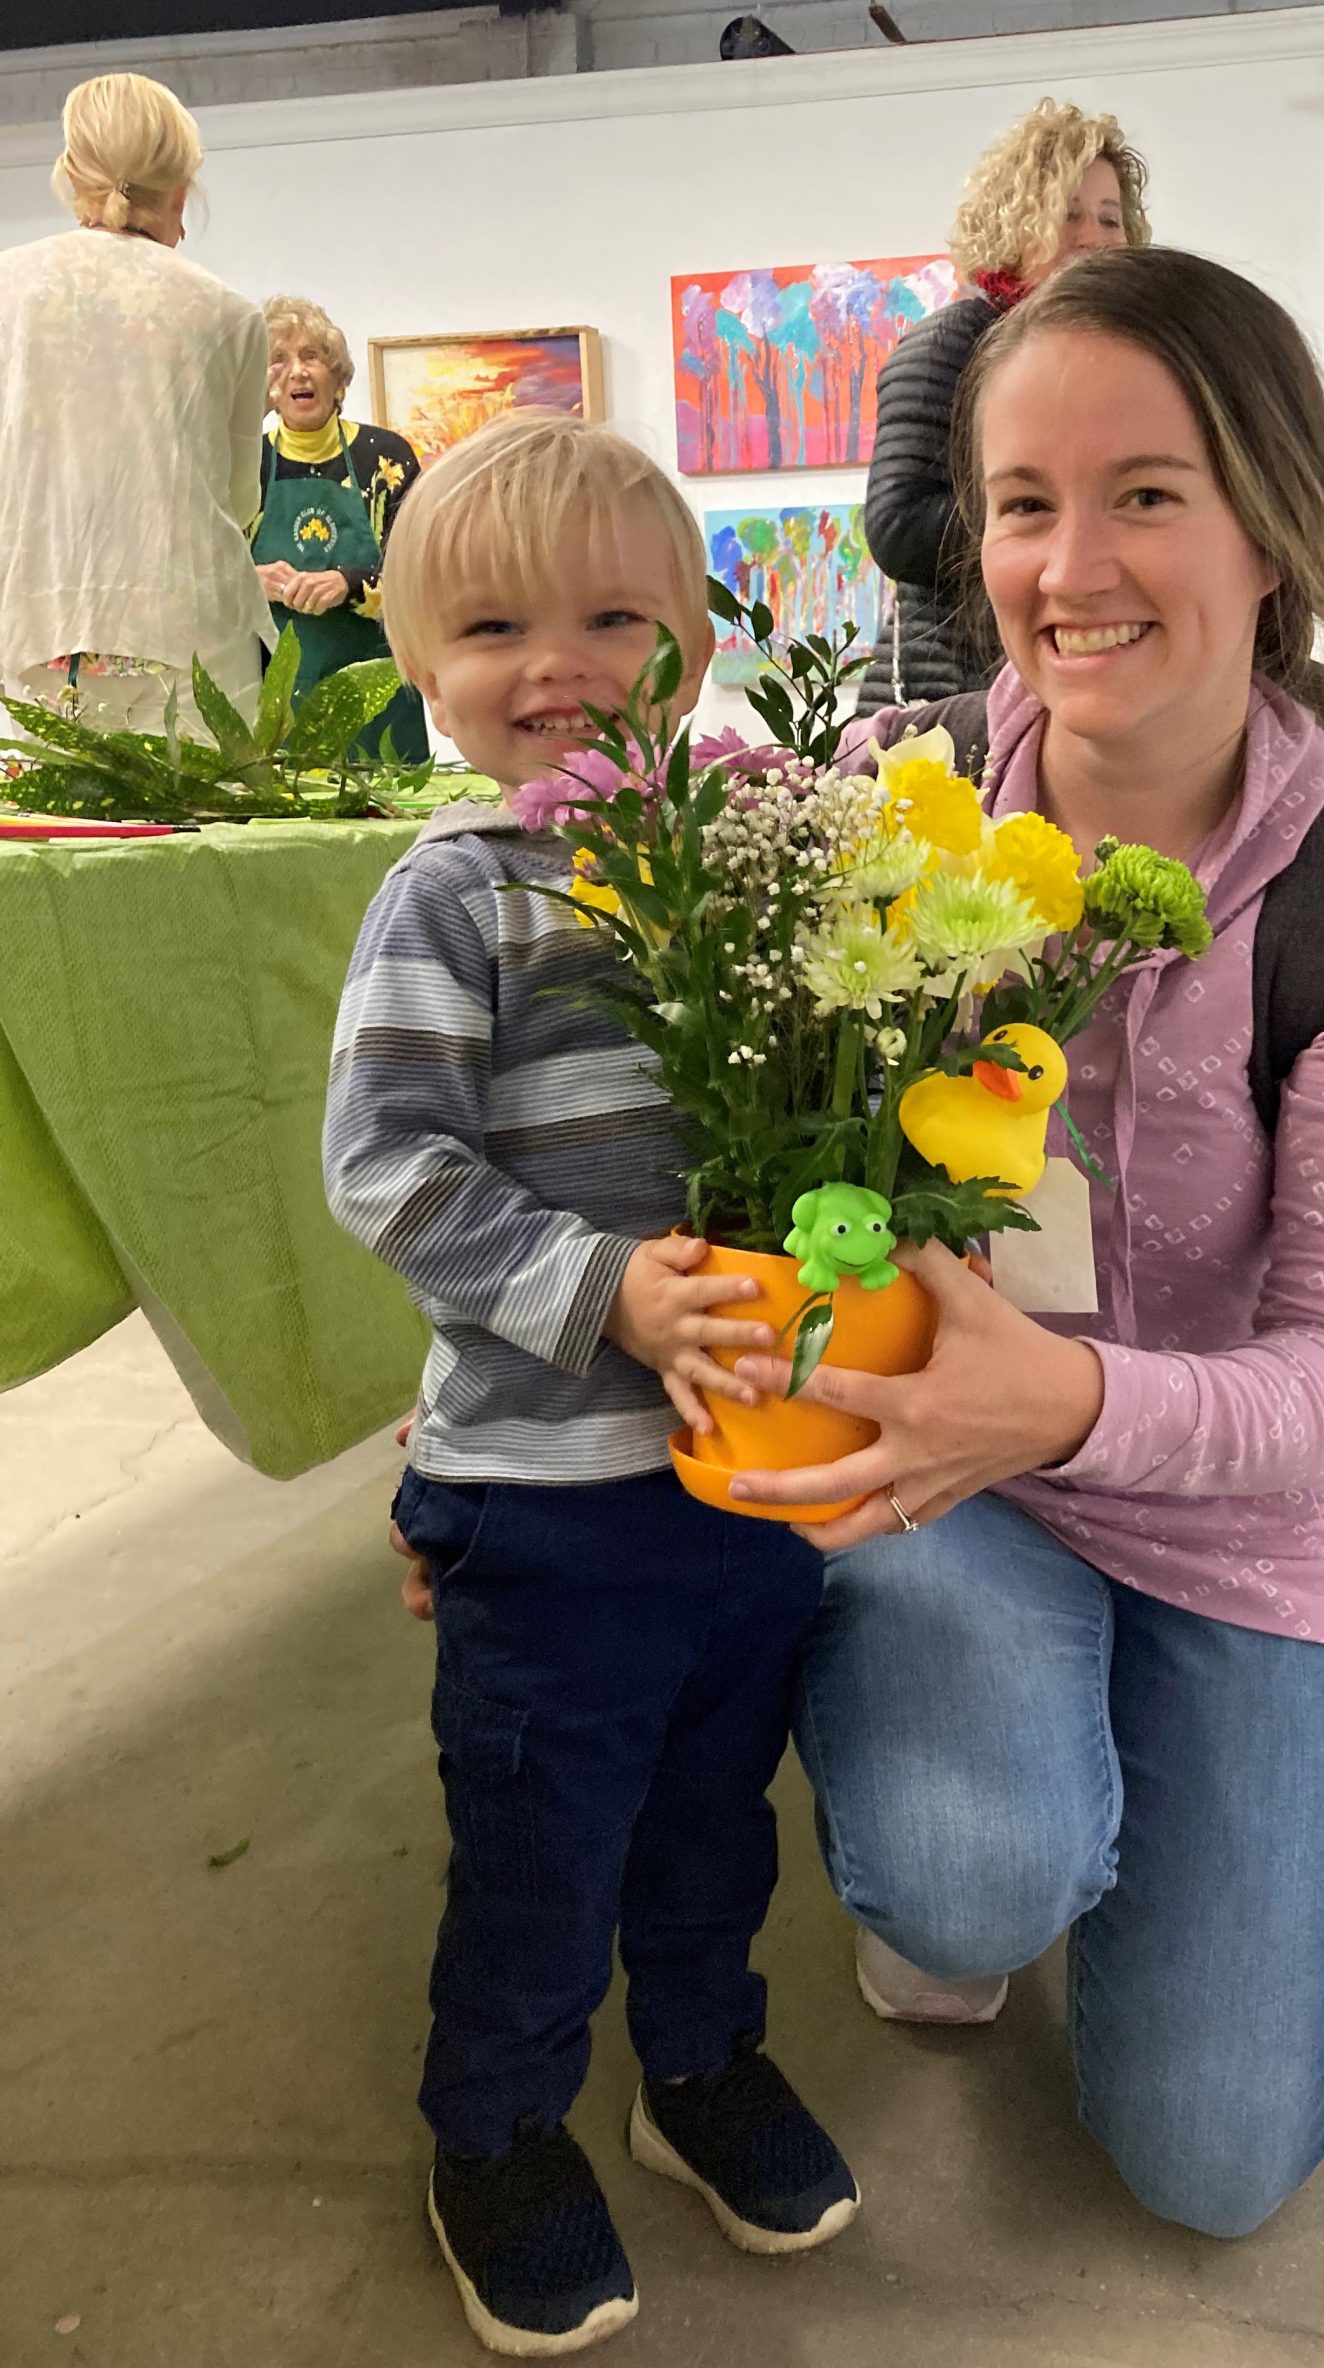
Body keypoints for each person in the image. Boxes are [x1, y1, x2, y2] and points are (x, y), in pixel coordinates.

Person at [734, 248, 1324, 2238]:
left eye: (1147, 491)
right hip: (940, 1499)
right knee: (977, 1871)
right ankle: (972, 1836)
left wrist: (1058, 1400)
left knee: (1216, 2162)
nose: (1075, 562)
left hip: (1238, 1527)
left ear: (1271, 529)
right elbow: (744, 1170)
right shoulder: (889, 823)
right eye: (1023, 502)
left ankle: (1165, 1773)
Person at [326, 416, 858, 2358]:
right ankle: (498, 2129)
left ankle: (701, 2062)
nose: (553, 663)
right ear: (417, 669)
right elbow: (387, 1163)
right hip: (545, 1498)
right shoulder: (450, 896)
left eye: (611, 615)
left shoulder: (728, 861)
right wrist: (600, 1289)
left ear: (695, 648)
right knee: (545, 1839)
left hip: (739, 1480)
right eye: (490, 623)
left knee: (718, 1813)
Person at [854, 96, 1149, 712]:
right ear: (1015, 226)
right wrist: (1048, 516)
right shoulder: (953, 341)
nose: (1093, 239)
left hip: (1046, 685)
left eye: (1109, 218)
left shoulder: (1110, 363)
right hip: (945, 698)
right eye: (1068, 216)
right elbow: (898, 527)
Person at [0, 73, 273, 732]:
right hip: (191, 642)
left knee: (51, 834)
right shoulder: (229, 314)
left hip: (36, 633)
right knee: (208, 832)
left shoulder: (7, 290)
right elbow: (238, 502)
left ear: (70, 176)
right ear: (181, 191)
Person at [253, 293, 429, 758]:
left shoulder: (384, 457)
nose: (297, 372)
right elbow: (200, 579)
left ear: (337, 376)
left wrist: (349, 583)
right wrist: (251, 581)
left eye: (311, 356)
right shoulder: (246, 463)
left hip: (381, 706)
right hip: (276, 707)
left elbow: (427, 575)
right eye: (278, 360)